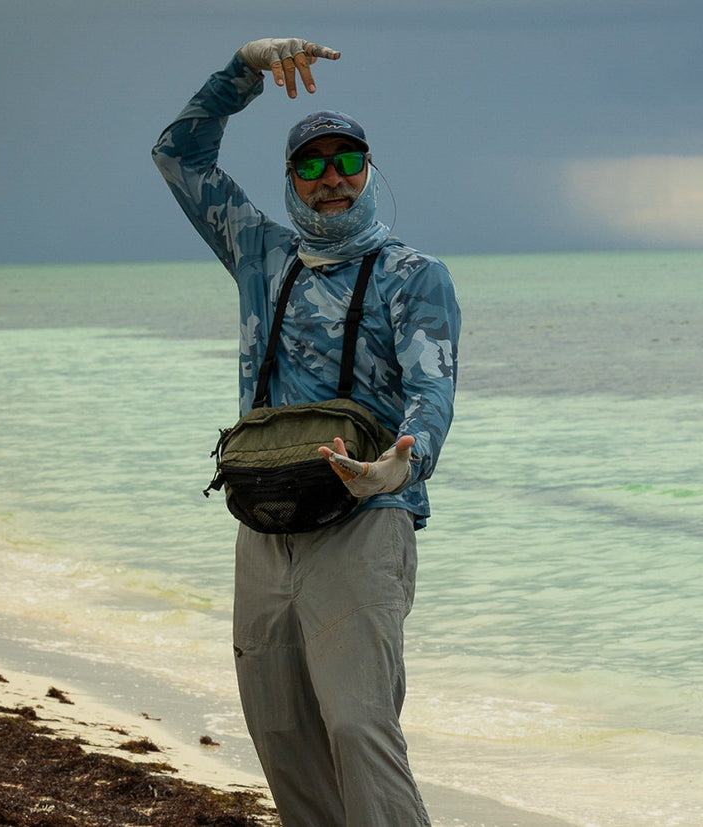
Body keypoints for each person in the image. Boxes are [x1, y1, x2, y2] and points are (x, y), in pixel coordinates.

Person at [153, 37, 458, 826]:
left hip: (364, 525)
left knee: (359, 727)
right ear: (290, 180)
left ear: (369, 170)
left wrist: (403, 463)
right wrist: (242, 70)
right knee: (282, 732)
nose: (332, 180)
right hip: (264, 527)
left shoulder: (412, 274)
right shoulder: (261, 253)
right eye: (311, 166)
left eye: (346, 162)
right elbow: (177, 153)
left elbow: (433, 389)